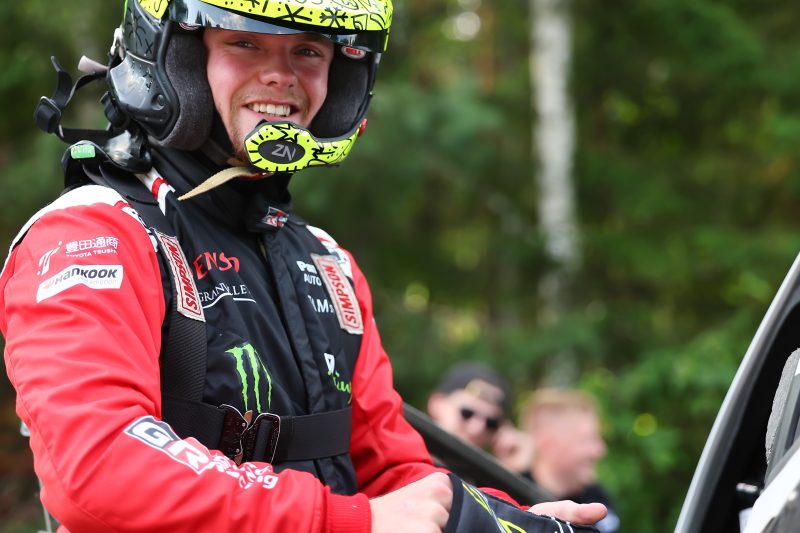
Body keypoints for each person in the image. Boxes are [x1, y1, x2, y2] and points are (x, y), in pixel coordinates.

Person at [0, 1, 607, 531]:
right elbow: (100, 467)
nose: (281, 75)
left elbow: (390, 470)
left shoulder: (326, 262)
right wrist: (349, 522)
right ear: (176, 57)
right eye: (245, 42)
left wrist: (499, 519)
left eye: (309, 51)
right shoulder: (94, 234)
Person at [521, 388, 622, 533]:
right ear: (547, 442)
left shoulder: (597, 499)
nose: (600, 450)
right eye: (588, 439)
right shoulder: (508, 498)